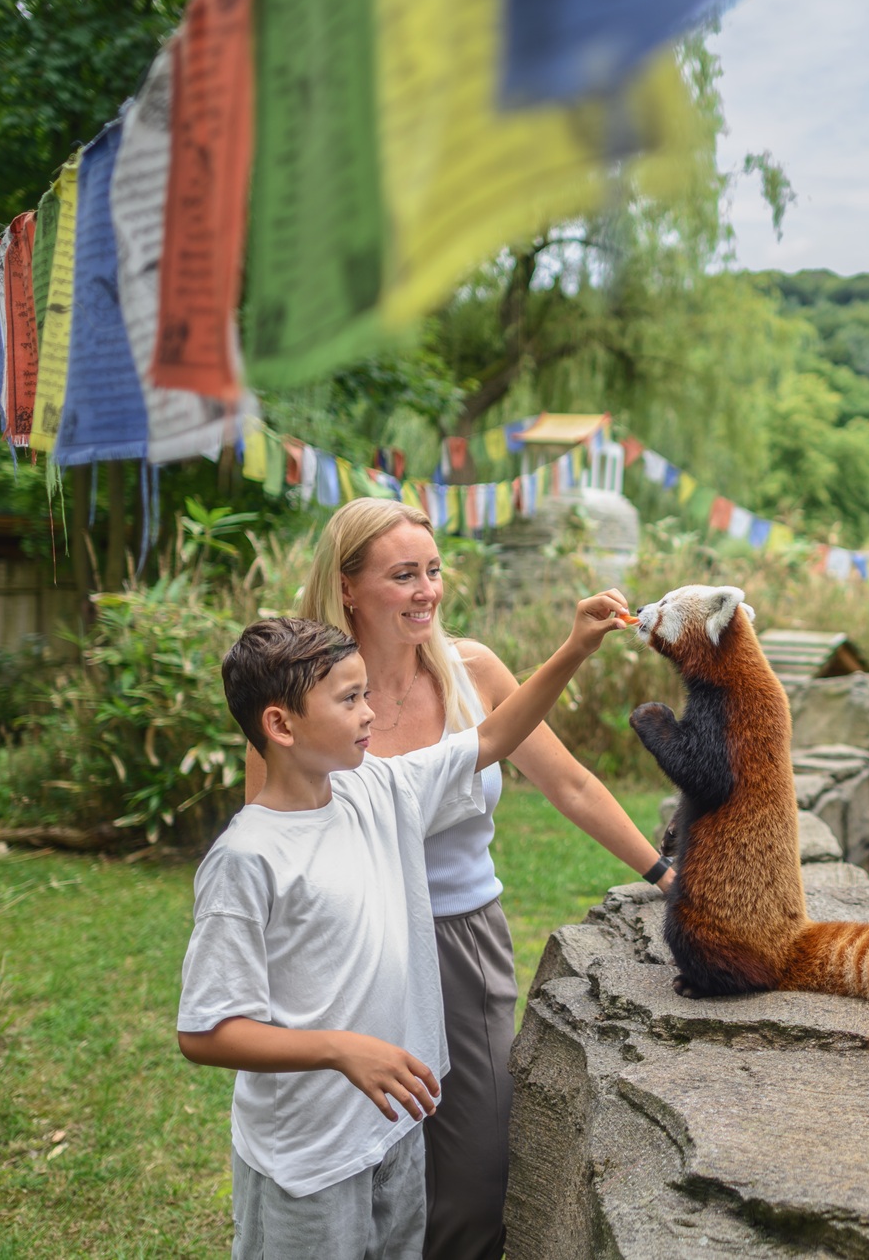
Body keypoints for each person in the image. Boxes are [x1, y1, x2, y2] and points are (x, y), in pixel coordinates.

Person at [244, 497, 672, 1260]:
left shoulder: (471, 668)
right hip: (353, 951)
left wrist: (662, 869)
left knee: (476, 1176)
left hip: (464, 943)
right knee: (363, 1167)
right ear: (348, 586)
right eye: (403, 574)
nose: (427, 591)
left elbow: (568, 782)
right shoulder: (301, 698)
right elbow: (274, 843)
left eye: (434, 571)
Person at [177, 592, 629, 1259]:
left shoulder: (378, 789)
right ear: (280, 723)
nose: (371, 714)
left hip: (392, 1130)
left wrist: (575, 649)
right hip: (308, 1155)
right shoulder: (247, 861)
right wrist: (341, 1048)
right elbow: (205, 1032)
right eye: (350, 700)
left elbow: (496, 735)